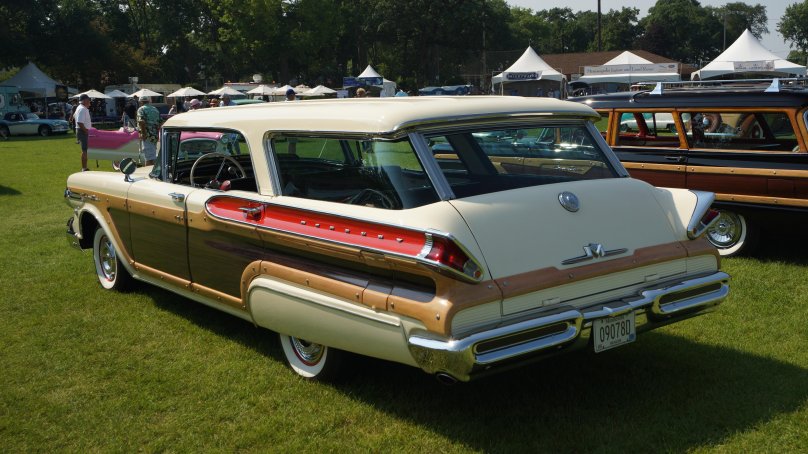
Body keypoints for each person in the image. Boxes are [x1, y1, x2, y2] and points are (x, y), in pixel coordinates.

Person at [136, 97, 160, 166]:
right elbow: (160, 122)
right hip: (154, 136)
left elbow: (141, 121)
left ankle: (149, 174)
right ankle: (154, 173)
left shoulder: (141, 109)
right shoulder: (155, 109)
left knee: (149, 158)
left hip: (147, 136)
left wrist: (143, 133)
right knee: (152, 156)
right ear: (148, 101)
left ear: (141, 102)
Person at [74, 94, 92, 171]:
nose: (89, 102)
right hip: (82, 131)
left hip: (82, 130)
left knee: (85, 150)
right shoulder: (82, 109)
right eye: (88, 100)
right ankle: (84, 168)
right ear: (84, 101)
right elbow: (79, 122)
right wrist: (86, 131)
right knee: (85, 150)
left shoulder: (80, 108)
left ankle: (84, 167)